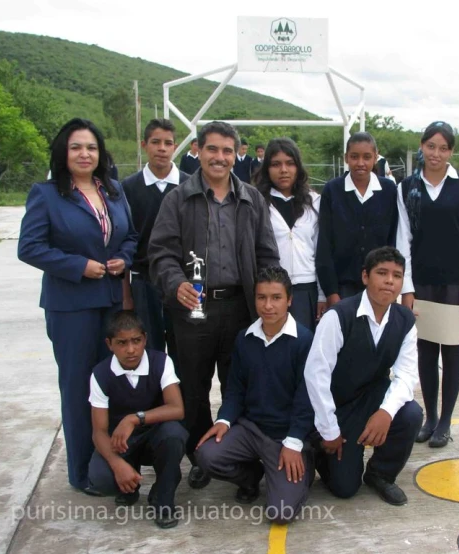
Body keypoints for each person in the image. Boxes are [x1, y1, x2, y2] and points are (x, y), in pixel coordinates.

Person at [148, 120, 279, 490]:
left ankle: (240, 461)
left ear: (236, 154)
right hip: (193, 311)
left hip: (241, 308)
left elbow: (267, 254)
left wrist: (270, 300)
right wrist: (177, 285)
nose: (219, 157)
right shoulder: (177, 199)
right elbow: (160, 252)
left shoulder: (252, 199)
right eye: (212, 149)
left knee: (241, 385)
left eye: (227, 151)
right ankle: (202, 456)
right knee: (193, 388)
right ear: (198, 151)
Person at [18, 118, 138, 492]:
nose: (84, 154)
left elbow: (130, 236)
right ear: (63, 153)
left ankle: (114, 460)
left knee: (111, 384)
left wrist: (124, 259)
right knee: (77, 387)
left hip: (111, 302)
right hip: (72, 305)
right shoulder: (47, 194)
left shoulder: (114, 190)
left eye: (90, 147)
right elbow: (30, 247)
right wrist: (78, 266)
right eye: (76, 147)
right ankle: (82, 471)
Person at [194, 267, 314, 523]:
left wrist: (294, 442)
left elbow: (307, 399)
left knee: (280, 513)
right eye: (261, 297)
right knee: (206, 455)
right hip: (251, 429)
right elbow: (236, 388)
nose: (268, 305)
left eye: (276, 297)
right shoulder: (245, 338)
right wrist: (224, 421)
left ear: (289, 300)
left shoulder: (304, 341)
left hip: (285, 437)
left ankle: (304, 465)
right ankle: (251, 477)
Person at [305, 247, 423, 506]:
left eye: (397, 275)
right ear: (365, 277)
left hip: (372, 396)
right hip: (338, 406)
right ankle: (318, 450)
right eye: (382, 273)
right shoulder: (339, 316)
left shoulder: (404, 320)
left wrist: (385, 413)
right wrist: (329, 430)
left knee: (411, 414)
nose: (390, 281)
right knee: (345, 488)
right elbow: (316, 376)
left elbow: (406, 376)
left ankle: (380, 474)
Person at [396, 120, 459, 448]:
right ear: (422, 146)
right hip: (422, 283)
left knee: (452, 351)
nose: (436, 153)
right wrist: (407, 286)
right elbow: (402, 239)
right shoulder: (407, 187)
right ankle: (429, 417)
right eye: (430, 146)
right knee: (425, 351)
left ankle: (445, 422)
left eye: (443, 148)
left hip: (455, 284)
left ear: (451, 151)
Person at [87, 311, 187, 529]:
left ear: (145, 339)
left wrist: (134, 418)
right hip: (122, 443)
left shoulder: (161, 362)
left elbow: (177, 409)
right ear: (109, 344)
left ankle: (164, 498)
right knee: (101, 479)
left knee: (174, 435)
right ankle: (128, 488)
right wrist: (117, 464)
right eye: (121, 343)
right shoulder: (101, 374)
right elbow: (99, 431)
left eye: (136, 341)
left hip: (154, 437)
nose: (130, 349)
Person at [122, 118, 190, 361]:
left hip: (183, 283)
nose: (162, 148)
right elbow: (124, 242)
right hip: (144, 283)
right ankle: (156, 399)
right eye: (155, 142)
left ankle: (183, 400)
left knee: (184, 349)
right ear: (144, 144)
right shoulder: (127, 188)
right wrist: (126, 292)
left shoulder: (190, 185)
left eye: (168, 143)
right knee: (149, 351)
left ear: (175, 147)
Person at [316, 132, 398, 304]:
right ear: (346, 158)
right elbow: (325, 243)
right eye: (354, 157)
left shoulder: (389, 190)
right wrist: (331, 291)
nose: (360, 163)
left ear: (376, 157)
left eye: (367, 157)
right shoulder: (333, 190)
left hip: (379, 283)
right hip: (343, 286)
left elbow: (392, 239)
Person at [256, 138, 325, 330]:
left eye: (290, 163)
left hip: (306, 289)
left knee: (304, 348)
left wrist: (321, 295)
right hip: (270, 289)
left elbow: (321, 250)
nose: (283, 170)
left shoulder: (314, 201)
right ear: (267, 168)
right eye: (276, 164)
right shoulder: (257, 202)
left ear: (298, 167)